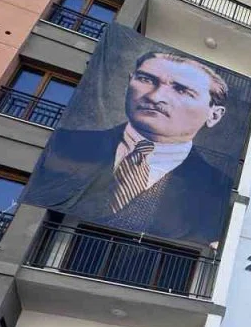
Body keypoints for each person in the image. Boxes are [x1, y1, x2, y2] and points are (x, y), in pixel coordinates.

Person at [24, 50, 235, 246]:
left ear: (214, 115)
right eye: (146, 80)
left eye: (182, 90)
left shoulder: (218, 190)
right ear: (128, 83)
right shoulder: (65, 145)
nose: (155, 96)